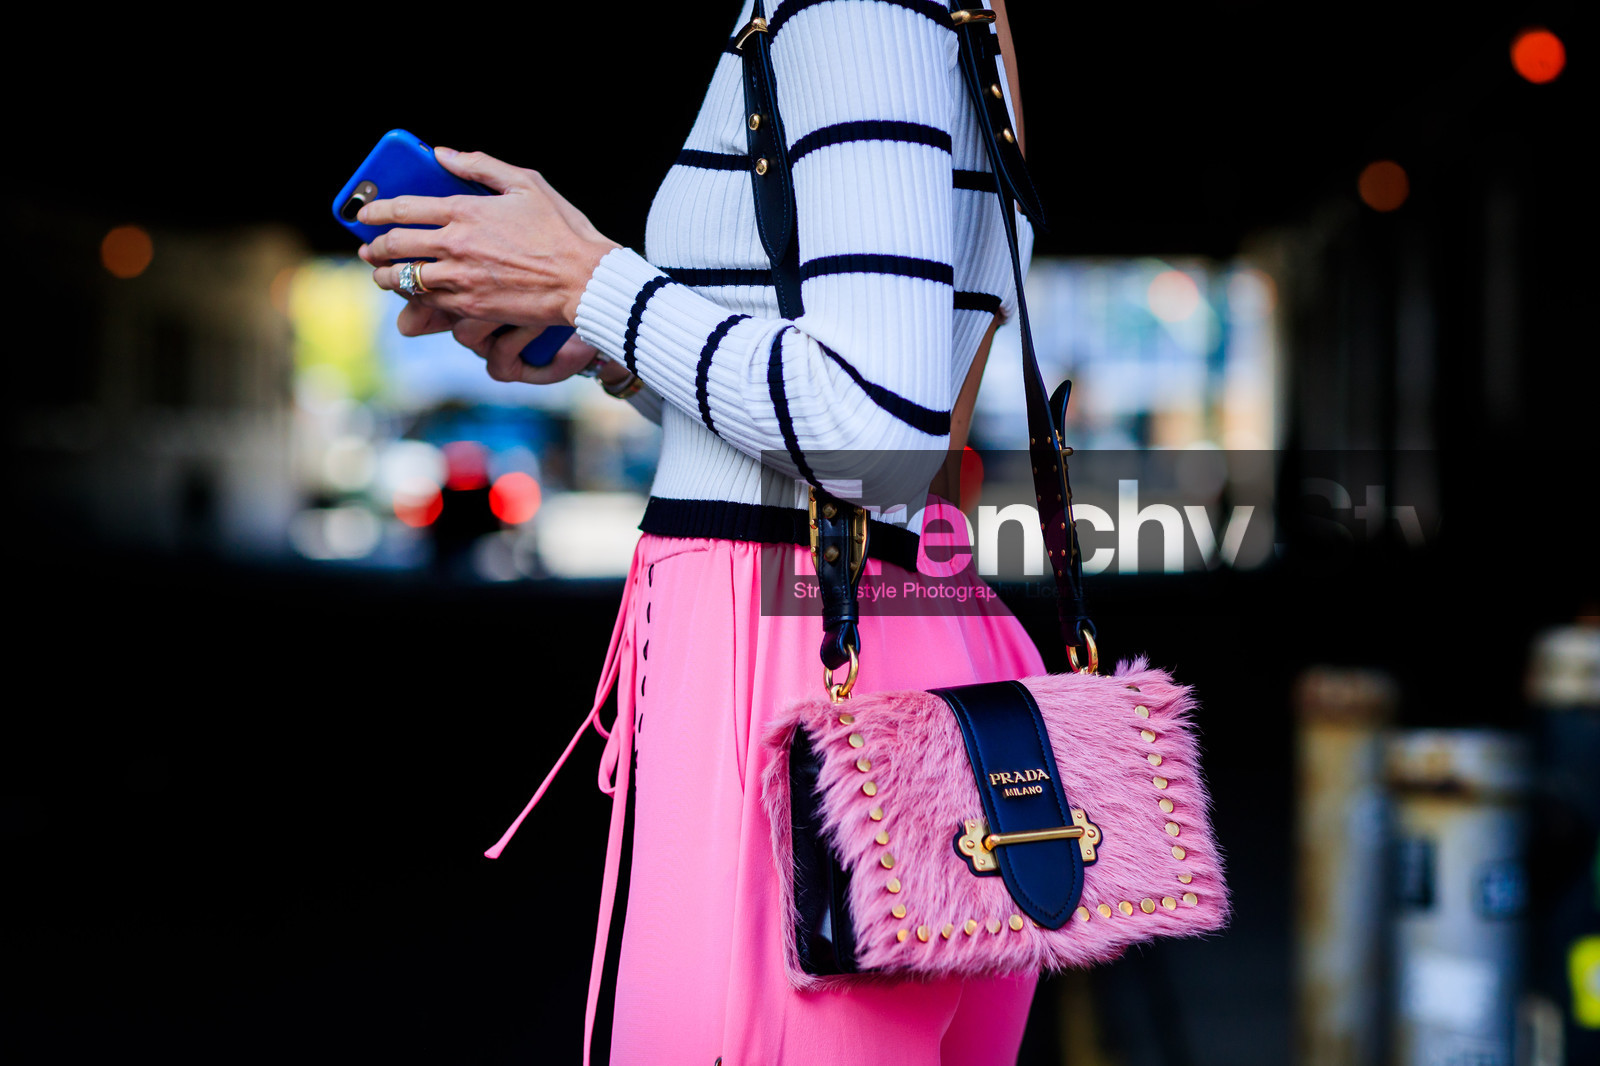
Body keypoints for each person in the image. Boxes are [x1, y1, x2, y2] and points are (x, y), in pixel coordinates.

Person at [358, 2, 1044, 1061]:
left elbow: (879, 425)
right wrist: (606, 344)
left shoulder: (858, 4)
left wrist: (591, 281)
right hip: (857, 627)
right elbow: (843, 409)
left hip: (790, 661)